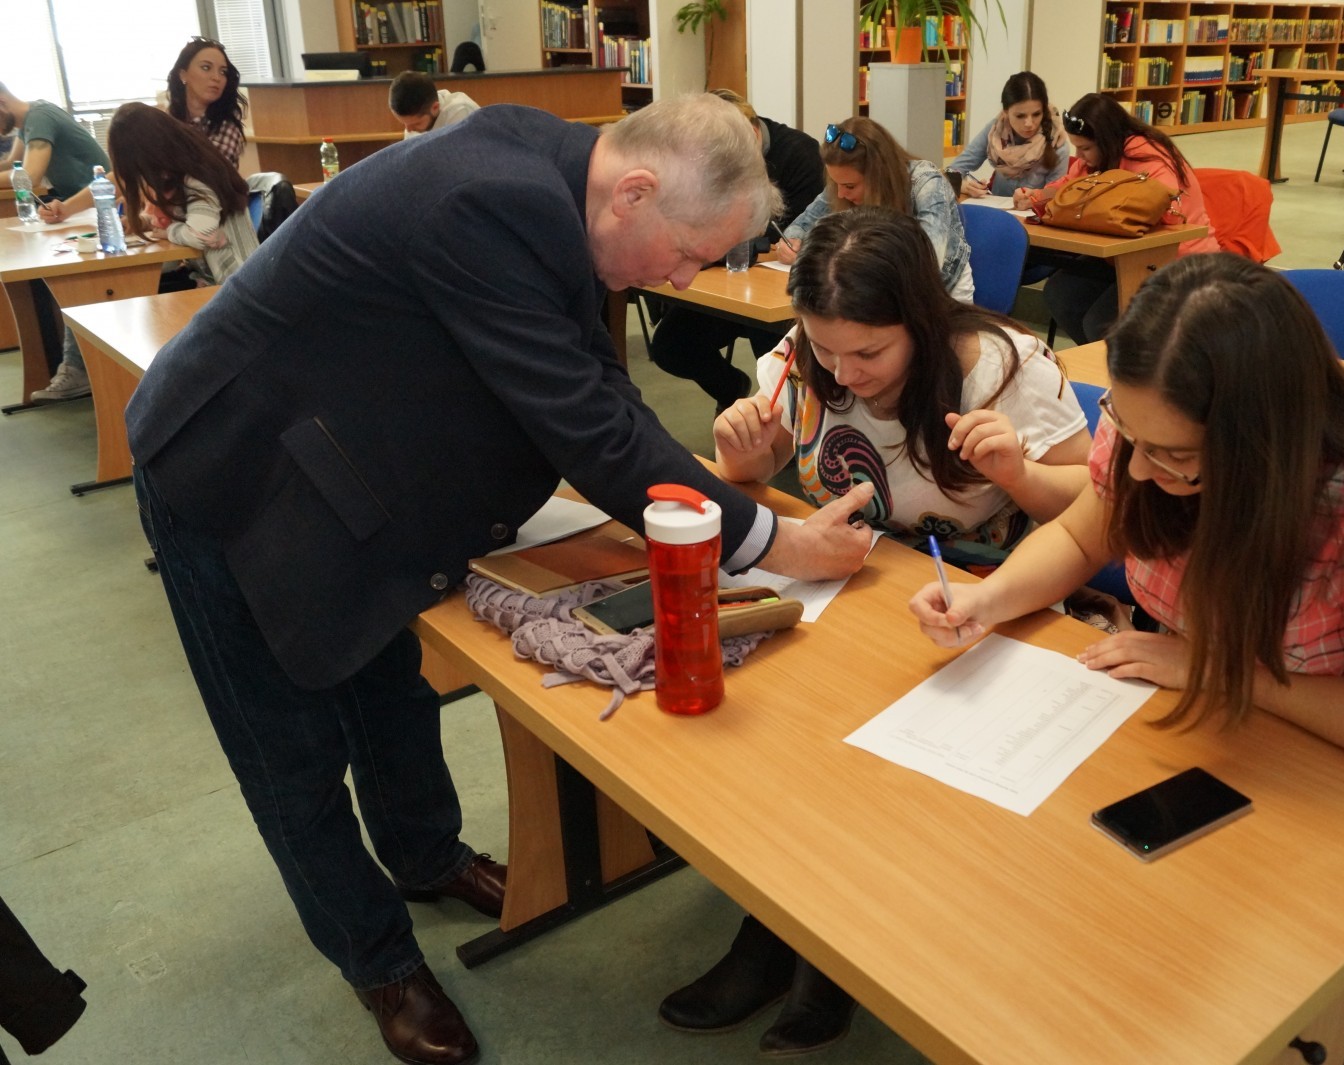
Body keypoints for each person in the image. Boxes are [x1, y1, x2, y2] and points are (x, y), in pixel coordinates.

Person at [125, 95, 876, 1065]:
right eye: (689, 252)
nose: (685, 279)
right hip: (228, 465)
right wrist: (777, 541)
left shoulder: (562, 176)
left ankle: (424, 857)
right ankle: (378, 960)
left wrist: (718, 508)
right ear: (634, 193)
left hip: (339, 456)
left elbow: (599, 385)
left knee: (388, 687)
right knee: (290, 755)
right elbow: (589, 431)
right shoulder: (489, 202)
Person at [663, 206, 1092, 1058]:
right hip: (851, 584)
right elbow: (761, 470)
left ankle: (821, 947)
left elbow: (1095, 507)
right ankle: (782, 921)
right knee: (774, 723)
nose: (844, 372)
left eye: (868, 353)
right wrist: (742, 452)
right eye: (826, 349)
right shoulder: (807, 355)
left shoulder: (1001, 367)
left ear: (921, 321)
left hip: (976, 599)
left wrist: (1018, 472)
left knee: (870, 745)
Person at [910, 253, 1344, 785]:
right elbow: (1081, 539)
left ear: (1259, 441)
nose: (1135, 470)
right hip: (1203, 722)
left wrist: (1218, 672)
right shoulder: (1149, 426)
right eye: (1128, 432)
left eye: (1174, 455)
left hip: (1333, 761)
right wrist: (989, 600)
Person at [647, 88, 825, 412]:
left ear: (752, 134)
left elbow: (789, 235)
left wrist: (724, 241)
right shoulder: (712, 156)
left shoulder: (801, 154)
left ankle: (782, 424)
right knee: (669, 346)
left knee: (771, 354)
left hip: (774, 290)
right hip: (730, 282)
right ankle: (731, 389)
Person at [1015, 92, 1220, 345]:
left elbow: (1164, 208)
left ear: (1107, 140)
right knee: (1060, 294)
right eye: (1076, 147)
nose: (1079, 155)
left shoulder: (1148, 157)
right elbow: (1070, 187)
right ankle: (1099, 361)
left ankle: (1120, 364)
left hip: (1175, 258)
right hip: (1122, 256)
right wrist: (1036, 196)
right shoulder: (1099, 157)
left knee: (1101, 322)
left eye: (1085, 148)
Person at [0, 80, 113, 402]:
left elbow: (29, 177)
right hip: (75, 210)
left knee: (70, 269)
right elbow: (11, 166)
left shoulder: (40, 117)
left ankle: (76, 367)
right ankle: (67, 365)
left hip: (99, 209)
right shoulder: (28, 123)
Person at [779, 116, 974, 302]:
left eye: (849, 186)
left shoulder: (927, 184)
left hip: (940, 294)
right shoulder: (843, 181)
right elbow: (799, 226)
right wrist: (792, 244)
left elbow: (927, 263)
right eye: (836, 184)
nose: (840, 194)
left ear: (878, 176)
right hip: (877, 291)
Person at [108, 102, 260, 285]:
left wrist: (167, 232)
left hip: (239, 284)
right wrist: (145, 222)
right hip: (212, 280)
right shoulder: (176, 176)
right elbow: (176, 220)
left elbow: (202, 235)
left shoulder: (198, 177)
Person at [944, 71, 1071, 199]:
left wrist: (1035, 200)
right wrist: (963, 185)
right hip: (995, 208)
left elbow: (1054, 199)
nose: (1029, 123)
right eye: (1020, 116)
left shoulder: (1057, 143)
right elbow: (953, 170)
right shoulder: (995, 130)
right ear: (1005, 113)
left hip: (1033, 212)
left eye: (1036, 114)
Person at [165, 36, 248, 168]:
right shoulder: (167, 119)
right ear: (183, 75)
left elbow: (209, 171)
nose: (216, 77)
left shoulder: (227, 121)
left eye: (223, 72)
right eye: (206, 68)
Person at [389, 71, 480, 136]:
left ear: (435, 107)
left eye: (417, 124)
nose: (409, 130)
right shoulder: (412, 124)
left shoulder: (461, 113)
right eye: (404, 123)